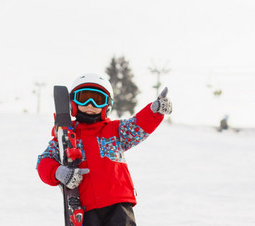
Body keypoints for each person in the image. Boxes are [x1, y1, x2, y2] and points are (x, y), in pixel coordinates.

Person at [36, 73, 172, 226]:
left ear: (107, 105)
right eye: (84, 98)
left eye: (97, 100)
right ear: (72, 103)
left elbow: (137, 126)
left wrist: (154, 111)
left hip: (119, 203)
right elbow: (43, 162)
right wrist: (58, 172)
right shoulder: (65, 138)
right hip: (86, 207)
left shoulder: (115, 130)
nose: (90, 104)